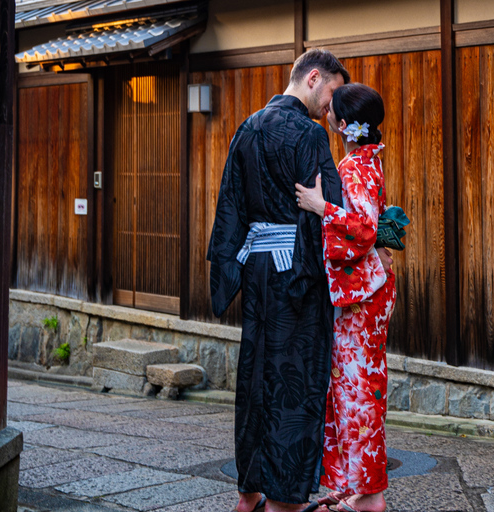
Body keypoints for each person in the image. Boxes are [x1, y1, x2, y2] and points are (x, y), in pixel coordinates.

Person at [207, 49, 349, 512]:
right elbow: (332, 208)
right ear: (312, 78)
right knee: (296, 381)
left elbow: (230, 203)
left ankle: (249, 491)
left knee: (256, 376)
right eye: (330, 95)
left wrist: (229, 270)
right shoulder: (309, 135)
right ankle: (284, 501)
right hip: (299, 275)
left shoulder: (247, 127)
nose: (331, 108)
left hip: (258, 270)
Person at [294, 83, 396, 512]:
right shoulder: (365, 160)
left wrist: (320, 207)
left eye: (331, 110)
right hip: (369, 288)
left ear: (342, 123)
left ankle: (370, 496)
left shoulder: (354, 167)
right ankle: (358, 486)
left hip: (362, 295)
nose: (326, 114)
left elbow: (364, 229)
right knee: (356, 389)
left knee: (358, 392)